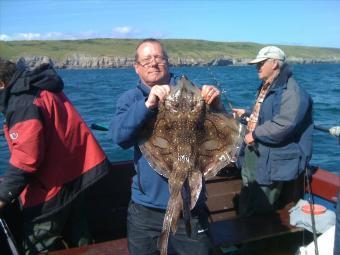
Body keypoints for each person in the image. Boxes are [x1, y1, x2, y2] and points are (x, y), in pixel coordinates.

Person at [109, 38, 221, 255]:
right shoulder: (130, 99)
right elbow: (119, 138)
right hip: (146, 210)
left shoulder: (193, 93)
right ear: (137, 68)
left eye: (159, 57)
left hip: (189, 207)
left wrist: (216, 106)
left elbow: (219, 136)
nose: (153, 63)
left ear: (168, 63)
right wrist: (147, 105)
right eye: (146, 59)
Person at [0, 58, 110, 254]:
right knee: (81, 240)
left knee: (39, 243)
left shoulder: (22, 102)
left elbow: (26, 159)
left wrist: (3, 196)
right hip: (76, 177)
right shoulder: (40, 86)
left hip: (52, 188)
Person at [233, 46, 313, 217]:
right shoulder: (268, 87)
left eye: (261, 63)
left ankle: (255, 242)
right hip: (256, 154)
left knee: (260, 210)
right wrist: (247, 114)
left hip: (271, 162)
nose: (257, 67)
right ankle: (247, 237)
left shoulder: (291, 91)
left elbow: (284, 124)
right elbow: (267, 114)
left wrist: (254, 134)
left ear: (275, 64)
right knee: (248, 199)